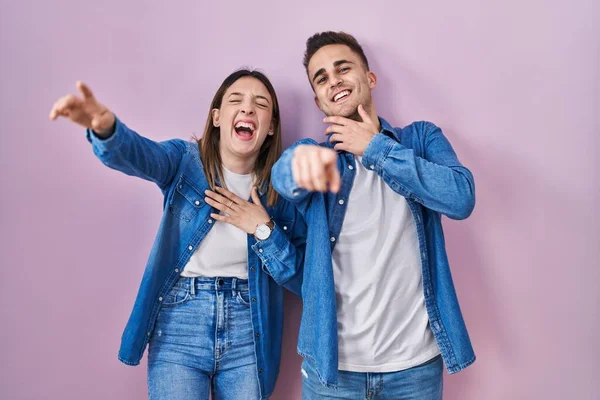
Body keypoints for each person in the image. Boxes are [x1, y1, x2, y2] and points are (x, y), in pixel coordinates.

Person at [49, 69, 306, 400]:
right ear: (217, 117)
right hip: (180, 324)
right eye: (235, 100)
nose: (247, 109)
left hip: (250, 329)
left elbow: (301, 277)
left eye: (260, 104)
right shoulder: (185, 161)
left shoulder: (280, 190)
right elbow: (142, 156)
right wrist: (106, 129)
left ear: (270, 127)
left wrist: (262, 227)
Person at [271, 31, 476, 399]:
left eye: (342, 68)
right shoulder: (317, 155)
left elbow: (460, 197)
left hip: (414, 370)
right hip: (332, 373)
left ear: (369, 78)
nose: (333, 81)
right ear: (319, 102)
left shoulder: (421, 140)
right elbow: (284, 177)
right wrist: (301, 165)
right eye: (321, 78)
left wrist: (376, 149)